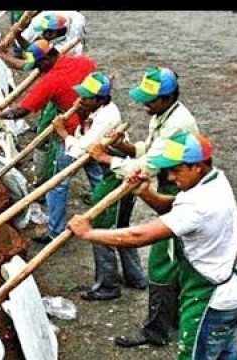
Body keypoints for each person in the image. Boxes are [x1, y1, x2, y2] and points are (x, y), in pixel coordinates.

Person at [69, 132, 237, 360]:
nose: (171, 178)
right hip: (227, 292)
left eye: (176, 170)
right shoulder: (214, 180)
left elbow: (139, 235)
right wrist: (146, 192)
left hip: (211, 300)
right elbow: (172, 206)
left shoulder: (201, 205)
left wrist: (89, 233)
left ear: (196, 167)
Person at [88, 67, 200, 348]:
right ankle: (173, 319)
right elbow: (149, 151)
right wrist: (125, 148)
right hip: (172, 184)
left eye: (150, 100)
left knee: (162, 262)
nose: (144, 105)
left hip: (179, 190)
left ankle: (156, 331)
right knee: (177, 258)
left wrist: (105, 159)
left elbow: (146, 168)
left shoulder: (178, 124)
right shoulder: (164, 115)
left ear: (167, 97)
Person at [0, 39, 96, 243]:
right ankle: (107, 211)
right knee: (95, 168)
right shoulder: (83, 62)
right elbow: (25, 65)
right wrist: (3, 55)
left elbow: (22, 110)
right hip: (96, 127)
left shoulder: (51, 81)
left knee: (57, 183)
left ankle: (55, 232)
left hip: (73, 133)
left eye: (40, 65)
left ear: (49, 58)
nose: (37, 70)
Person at [63, 72, 147, 300]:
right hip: (115, 175)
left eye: (86, 98)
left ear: (100, 100)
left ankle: (107, 285)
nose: (81, 101)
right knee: (121, 225)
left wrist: (63, 133)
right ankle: (135, 276)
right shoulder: (97, 112)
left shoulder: (106, 119)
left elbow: (81, 151)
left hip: (117, 177)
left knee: (100, 226)